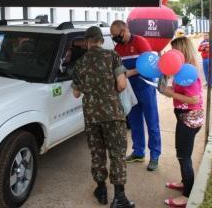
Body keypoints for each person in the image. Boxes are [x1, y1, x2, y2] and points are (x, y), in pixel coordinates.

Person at [72, 26, 135, 208]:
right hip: (113, 114)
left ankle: (101, 190)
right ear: (101, 40)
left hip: (92, 116)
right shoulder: (112, 56)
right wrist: (108, 93)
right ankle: (119, 198)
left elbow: (76, 93)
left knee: (97, 153)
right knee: (117, 154)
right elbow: (122, 84)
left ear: (87, 42)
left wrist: (90, 89)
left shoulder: (80, 63)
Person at [110, 20, 161, 171]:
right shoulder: (118, 48)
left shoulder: (140, 42)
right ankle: (138, 152)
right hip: (130, 90)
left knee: (152, 122)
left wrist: (131, 72)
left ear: (124, 29)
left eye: (116, 35)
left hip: (145, 86)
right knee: (135, 122)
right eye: (113, 36)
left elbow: (151, 64)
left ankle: (155, 155)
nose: (115, 38)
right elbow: (118, 69)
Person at [161, 36, 203, 207]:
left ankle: (187, 195)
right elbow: (183, 91)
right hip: (186, 116)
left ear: (182, 52)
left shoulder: (189, 71)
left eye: (174, 50)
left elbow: (193, 98)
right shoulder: (182, 71)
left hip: (189, 117)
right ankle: (185, 182)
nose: (171, 54)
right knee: (183, 154)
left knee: (183, 156)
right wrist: (167, 88)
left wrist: (171, 94)